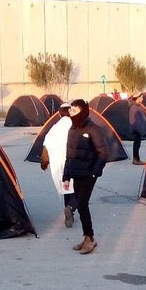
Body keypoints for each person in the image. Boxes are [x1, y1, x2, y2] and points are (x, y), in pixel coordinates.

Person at [62, 99, 108, 255]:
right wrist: (66, 176)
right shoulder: (72, 129)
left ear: (83, 112)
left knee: (81, 204)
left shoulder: (93, 129)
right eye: (71, 110)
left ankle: (90, 238)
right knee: (81, 206)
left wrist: (95, 172)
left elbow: (103, 153)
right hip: (76, 173)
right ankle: (87, 236)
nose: (71, 113)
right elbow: (69, 155)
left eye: (75, 110)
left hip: (89, 174)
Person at [41, 102, 76, 227]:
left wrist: (44, 162)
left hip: (57, 164)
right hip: (72, 161)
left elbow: (46, 144)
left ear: (60, 114)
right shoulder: (74, 125)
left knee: (66, 187)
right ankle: (70, 208)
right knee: (78, 187)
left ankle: (68, 210)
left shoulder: (55, 127)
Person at [128, 93, 146, 165]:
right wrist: (139, 130)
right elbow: (134, 120)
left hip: (138, 129)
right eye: (142, 97)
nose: (142, 99)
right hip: (137, 129)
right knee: (136, 144)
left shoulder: (137, 106)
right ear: (138, 97)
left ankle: (137, 159)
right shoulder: (134, 107)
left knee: (137, 144)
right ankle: (136, 159)